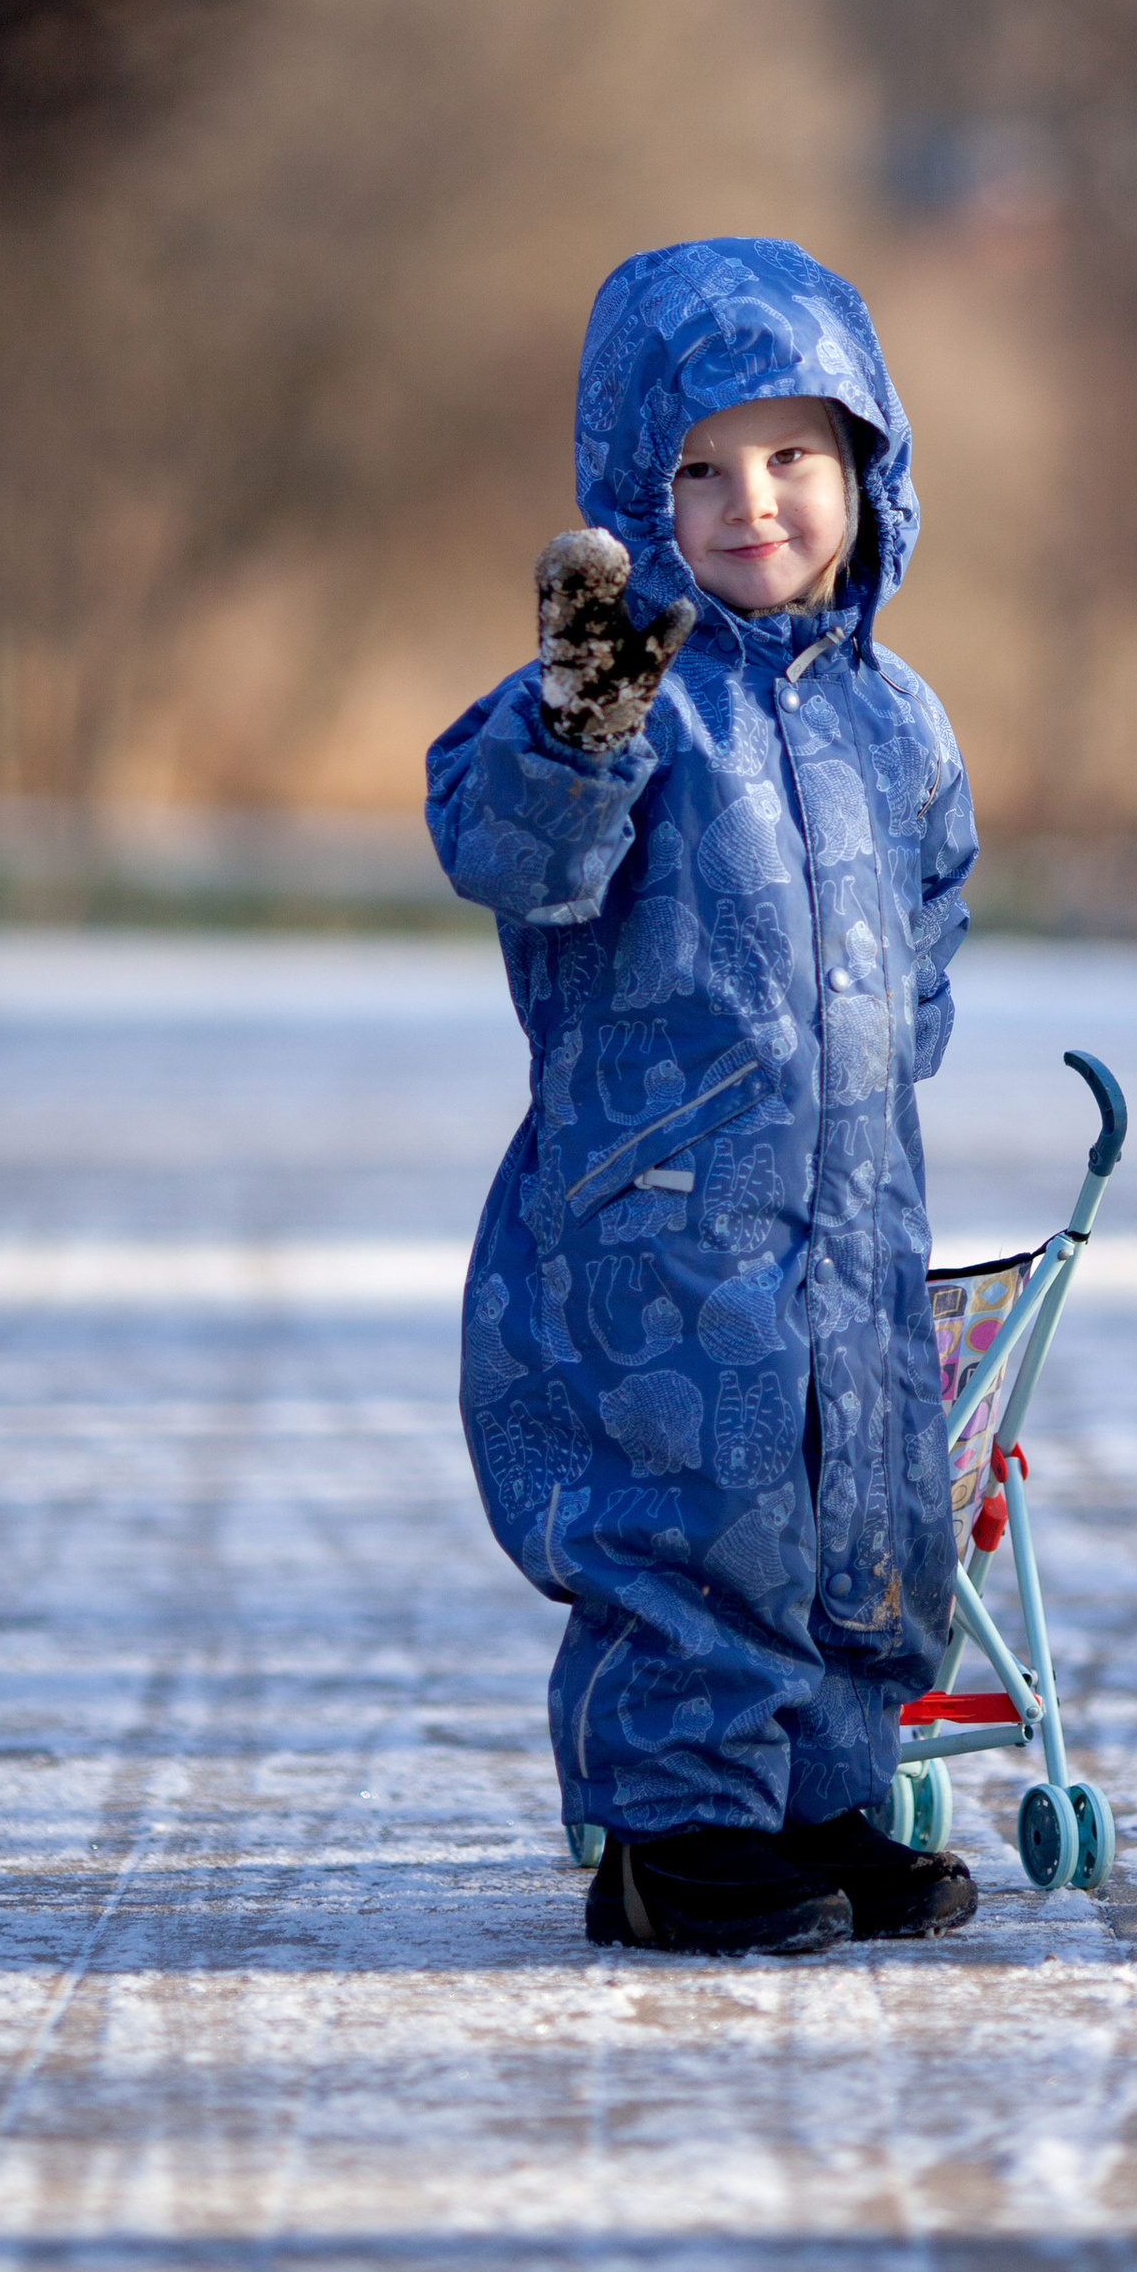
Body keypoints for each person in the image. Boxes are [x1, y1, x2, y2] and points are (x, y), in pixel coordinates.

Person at [427, 236, 980, 1957]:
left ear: (865, 467)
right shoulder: (619, 697)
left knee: (856, 1506)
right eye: (700, 466)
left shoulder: (899, 718)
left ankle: (819, 1800)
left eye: (795, 456)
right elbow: (508, 849)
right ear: (629, 488)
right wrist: (579, 719)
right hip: (660, 1216)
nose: (754, 502)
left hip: (850, 1203)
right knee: (697, 1511)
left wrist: (889, 1067)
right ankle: (675, 1833)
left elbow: (936, 905)